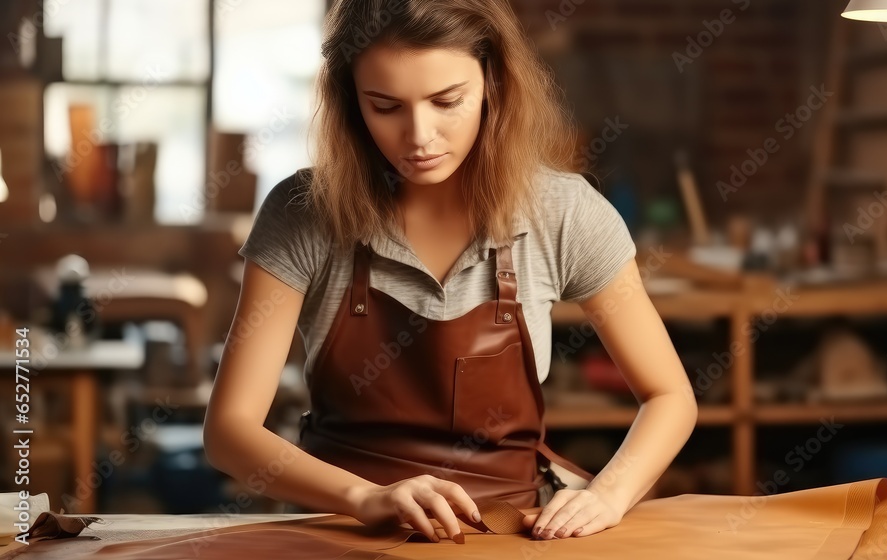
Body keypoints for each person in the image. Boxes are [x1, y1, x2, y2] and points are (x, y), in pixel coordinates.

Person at [204, 0, 697, 545]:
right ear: (351, 102)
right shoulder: (303, 212)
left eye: (447, 101)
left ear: (493, 83)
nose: (419, 136)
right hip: (344, 533)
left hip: (505, 537)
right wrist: (365, 498)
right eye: (385, 106)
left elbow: (669, 395)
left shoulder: (565, 214)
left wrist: (608, 494)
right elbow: (229, 431)